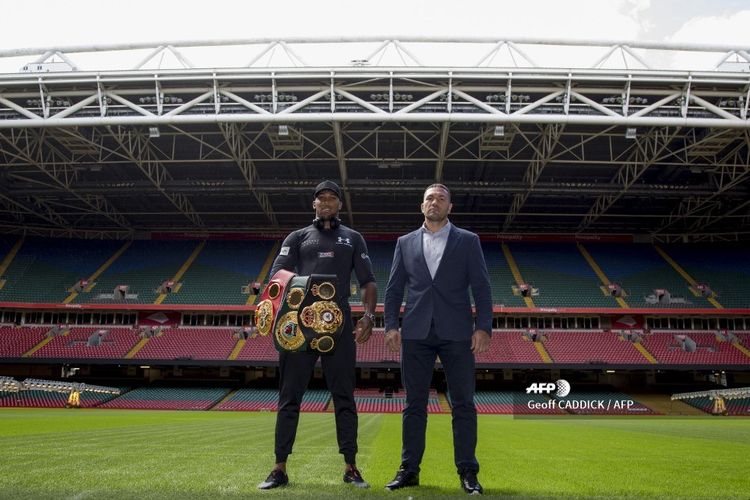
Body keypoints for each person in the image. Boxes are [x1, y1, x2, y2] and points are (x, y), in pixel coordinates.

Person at [258, 180, 378, 490]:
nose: (326, 202)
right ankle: (278, 468)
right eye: (320, 198)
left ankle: (351, 467)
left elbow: (368, 283)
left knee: (344, 396)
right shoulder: (297, 237)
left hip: (337, 326)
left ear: (340, 204)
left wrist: (367, 315)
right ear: (314, 204)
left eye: (332, 198)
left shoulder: (353, 238)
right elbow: (278, 275)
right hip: (299, 326)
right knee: (289, 396)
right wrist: (275, 312)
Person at [383, 183, 492, 495]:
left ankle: (468, 472)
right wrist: (391, 325)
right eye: (430, 198)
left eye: (441, 198)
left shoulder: (468, 241)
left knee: (463, 405)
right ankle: (409, 470)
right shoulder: (404, 243)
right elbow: (393, 289)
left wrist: (483, 327)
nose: (435, 202)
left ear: (449, 207)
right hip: (416, 332)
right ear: (422, 206)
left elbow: (482, 288)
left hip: (457, 332)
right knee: (413, 404)